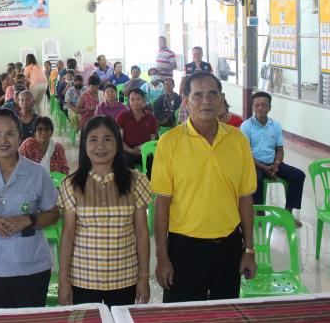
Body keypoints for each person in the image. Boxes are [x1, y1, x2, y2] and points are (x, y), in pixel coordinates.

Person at [151, 72, 257, 303]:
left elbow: (245, 199)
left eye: (212, 94)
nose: (206, 101)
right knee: (183, 315)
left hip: (229, 246)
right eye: (197, 95)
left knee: (225, 313)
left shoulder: (238, 140)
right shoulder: (169, 143)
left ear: (221, 99)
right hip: (184, 248)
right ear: (186, 102)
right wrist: (162, 257)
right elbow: (162, 205)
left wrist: (249, 250)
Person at [0, 109, 59, 308]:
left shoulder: (37, 173)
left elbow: (53, 214)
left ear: (20, 136)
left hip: (32, 267)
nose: (2, 140)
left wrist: (29, 220)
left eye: (10, 134)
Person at [57, 115, 151, 306]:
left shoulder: (137, 181)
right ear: (84, 144)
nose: (100, 146)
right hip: (82, 278)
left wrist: (144, 277)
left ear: (118, 144)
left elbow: (142, 232)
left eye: (108, 139)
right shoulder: (72, 184)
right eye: (93, 139)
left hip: (124, 277)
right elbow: (68, 234)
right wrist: (63, 280)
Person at [240, 91, 306, 227]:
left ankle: (287, 214)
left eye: (264, 105)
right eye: (256, 105)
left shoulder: (275, 125)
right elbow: (245, 154)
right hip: (254, 164)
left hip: (273, 163)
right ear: (253, 107)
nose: (260, 108)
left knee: (298, 175)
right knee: (256, 180)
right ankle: (260, 215)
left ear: (269, 107)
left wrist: (276, 165)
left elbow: (279, 149)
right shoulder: (246, 126)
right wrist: (264, 167)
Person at [116, 88, 158, 172]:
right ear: (129, 100)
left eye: (138, 99)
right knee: (124, 164)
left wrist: (146, 150)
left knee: (154, 165)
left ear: (143, 100)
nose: (135, 102)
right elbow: (119, 140)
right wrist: (132, 151)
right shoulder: (122, 117)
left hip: (146, 150)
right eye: (132, 99)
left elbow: (152, 139)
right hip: (127, 150)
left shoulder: (151, 118)